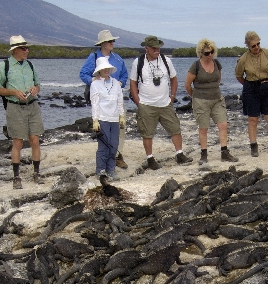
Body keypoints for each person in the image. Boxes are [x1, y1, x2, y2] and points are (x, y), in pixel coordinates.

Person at [129, 35, 191, 170]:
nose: (157, 50)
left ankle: (180, 154)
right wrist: (138, 101)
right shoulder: (138, 62)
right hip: (146, 104)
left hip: (165, 103)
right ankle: (150, 158)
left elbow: (174, 78)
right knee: (147, 133)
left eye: (158, 47)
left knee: (175, 128)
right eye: (153, 48)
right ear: (146, 49)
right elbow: (132, 82)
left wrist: (172, 97)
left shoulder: (166, 61)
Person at [0, 35, 44, 189]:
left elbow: (38, 84)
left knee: (35, 139)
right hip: (14, 107)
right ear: (15, 50)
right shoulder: (4, 66)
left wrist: (35, 89)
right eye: (24, 48)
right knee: (18, 142)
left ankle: (36, 173)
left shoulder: (30, 65)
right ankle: (16, 177)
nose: (27, 51)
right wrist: (14, 92)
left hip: (32, 105)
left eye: (27, 48)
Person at [80, 30, 129, 170]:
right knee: (104, 132)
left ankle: (117, 156)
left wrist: (121, 83)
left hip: (116, 97)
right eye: (109, 41)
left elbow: (124, 75)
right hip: (101, 100)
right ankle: (103, 163)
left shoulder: (118, 59)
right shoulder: (94, 57)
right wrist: (93, 81)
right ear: (102, 44)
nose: (112, 43)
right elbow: (83, 73)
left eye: (113, 41)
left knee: (119, 130)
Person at [184, 38, 237, 164]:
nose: (210, 55)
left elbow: (218, 80)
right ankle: (204, 154)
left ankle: (224, 152)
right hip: (201, 100)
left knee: (223, 125)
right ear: (201, 53)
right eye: (207, 53)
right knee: (203, 128)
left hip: (216, 98)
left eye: (212, 52)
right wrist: (195, 97)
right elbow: (187, 85)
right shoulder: (195, 66)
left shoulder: (217, 63)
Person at [235, 31, 268, 157]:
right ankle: (253, 146)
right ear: (248, 46)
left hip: (267, 85)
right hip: (251, 88)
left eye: (258, 44)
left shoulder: (267, 54)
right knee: (253, 119)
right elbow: (239, 75)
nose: (256, 47)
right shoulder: (243, 59)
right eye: (253, 46)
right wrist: (248, 85)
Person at [90, 56, 126, 181]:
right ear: (99, 70)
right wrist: (95, 120)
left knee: (114, 145)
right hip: (102, 118)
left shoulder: (116, 83)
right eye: (103, 68)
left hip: (114, 119)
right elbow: (94, 103)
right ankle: (100, 170)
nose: (106, 70)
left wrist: (121, 116)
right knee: (103, 146)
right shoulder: (95, 84)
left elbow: (119, 100)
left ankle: (111, 169)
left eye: (107, 68)